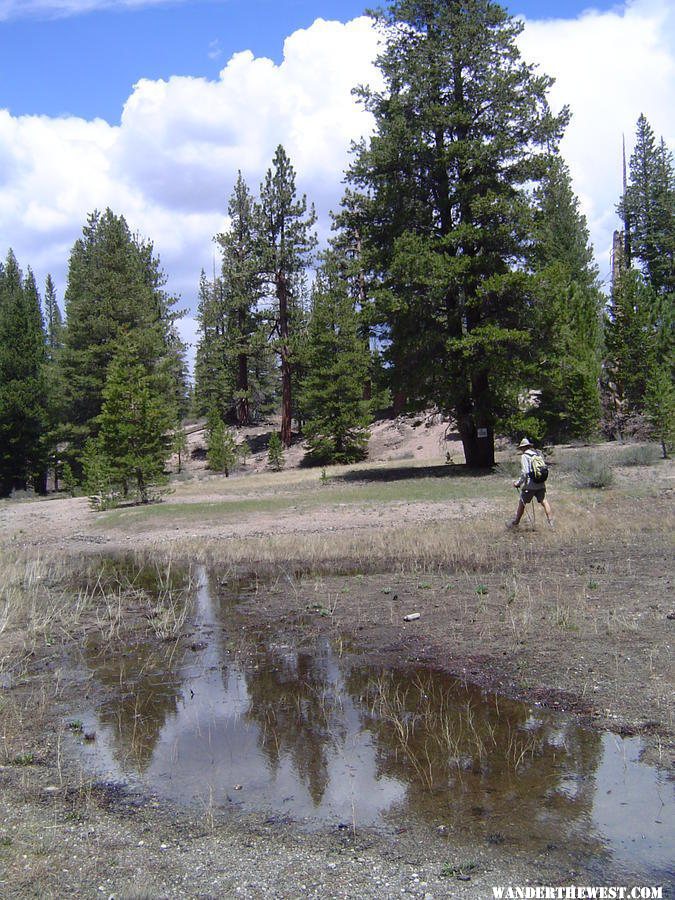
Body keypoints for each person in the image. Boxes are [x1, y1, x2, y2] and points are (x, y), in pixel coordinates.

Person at [507, 437, 554, 529]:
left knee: (522, 502)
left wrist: (518, 483)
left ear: (523, 448)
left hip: (530, 485)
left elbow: (525, 472)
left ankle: (515, 522)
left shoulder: (525, 456)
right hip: (541, 483)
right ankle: (551, 524)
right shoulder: (538, 454)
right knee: (544, 501)